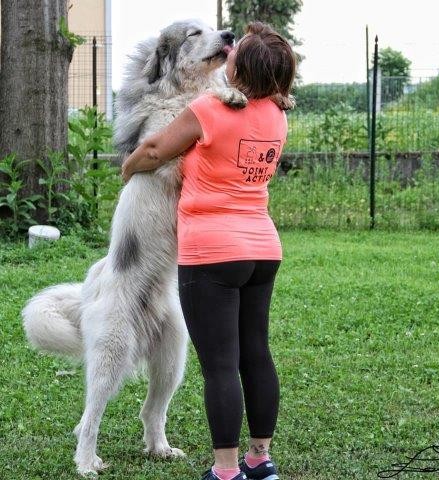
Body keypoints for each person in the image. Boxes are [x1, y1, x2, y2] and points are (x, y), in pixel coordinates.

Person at [121, 21, 296, 480]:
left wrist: (128, 165)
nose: (229, 51)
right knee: (256, 354)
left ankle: (225, 471)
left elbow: (155, 151)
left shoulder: (208, 109)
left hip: (212, 251)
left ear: (243, 67)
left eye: (237, 52)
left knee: (219, 366)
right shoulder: (278, 115)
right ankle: (260, 461)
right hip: (262, 246)